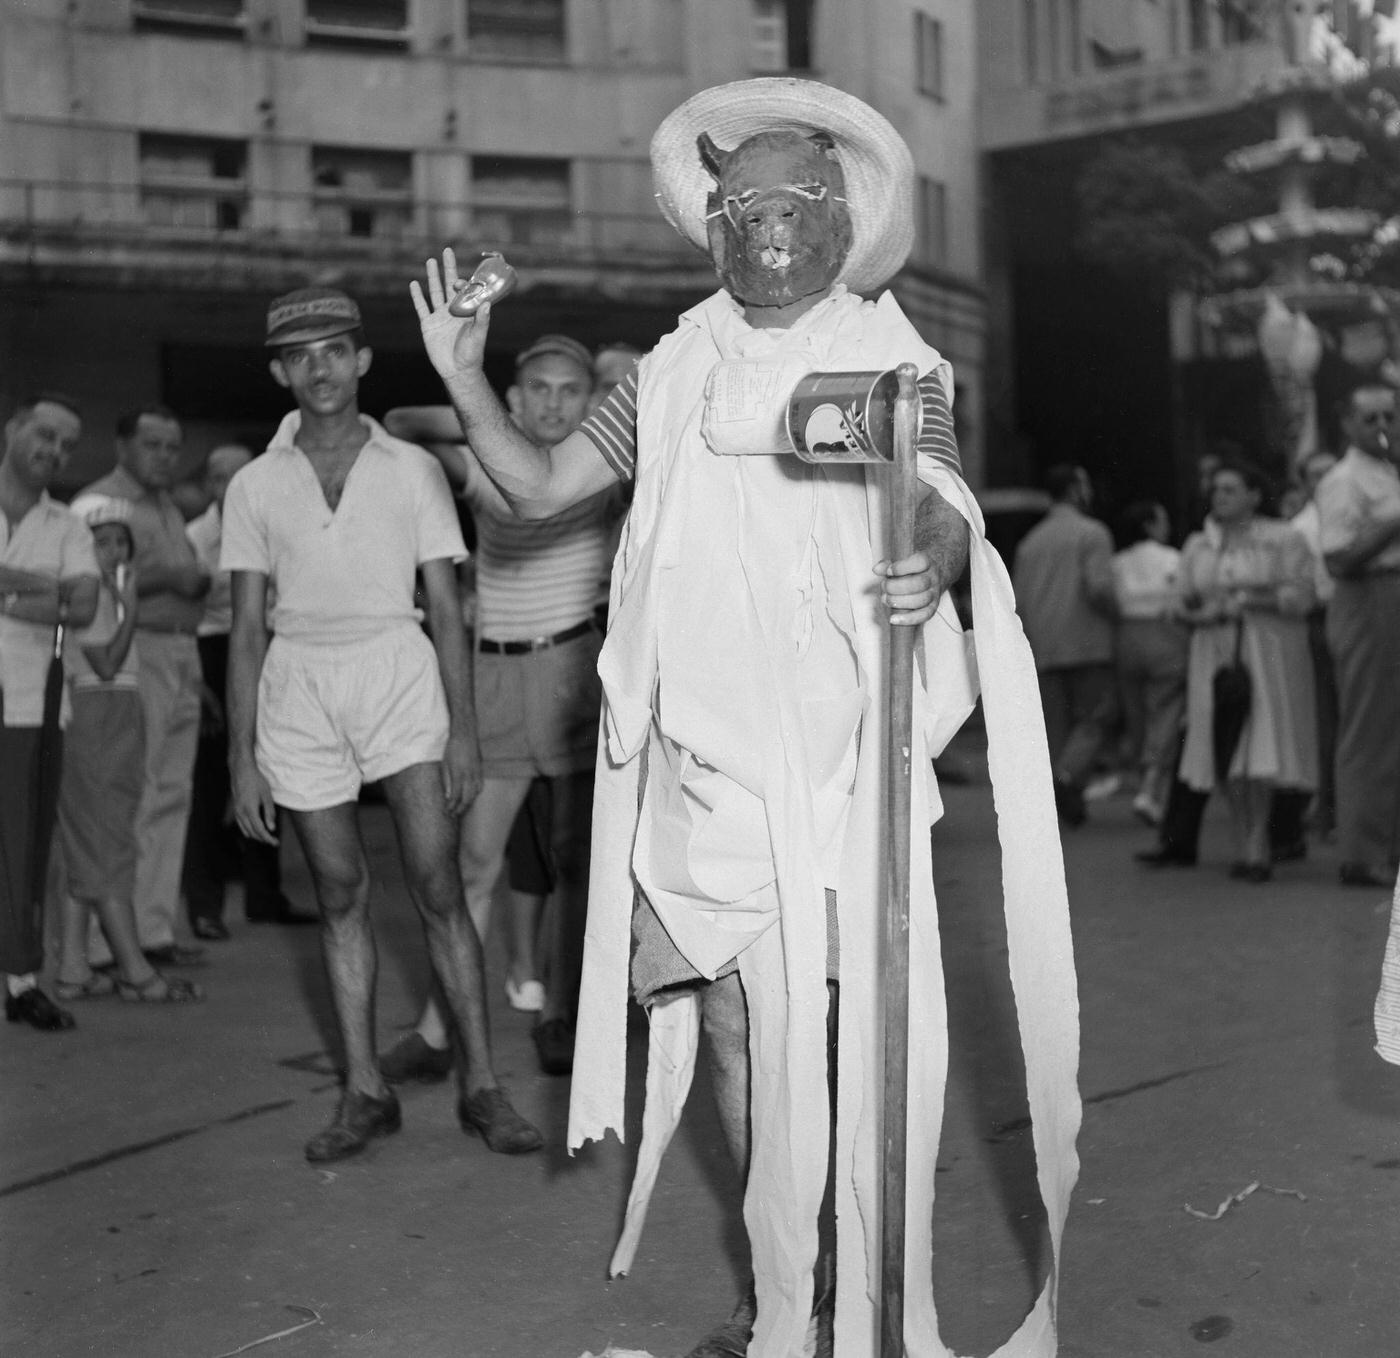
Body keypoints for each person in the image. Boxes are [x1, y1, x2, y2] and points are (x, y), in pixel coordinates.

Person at [409, 78, 1080, 1358]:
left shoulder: (891, 355)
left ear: (839, 213)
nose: (763, 220)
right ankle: (786, 1276)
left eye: (790, 197)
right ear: (711, 218)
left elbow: (937, 491)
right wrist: (463, 375)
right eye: (739, 200)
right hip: (695, 767)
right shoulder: (667, 369)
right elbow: (542, 484)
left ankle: (840, 1267)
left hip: (834, 769)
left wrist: (930, 551)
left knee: (833, 1027)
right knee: (722, 1016)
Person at [222, 285, 541, 1162]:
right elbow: (246, 629)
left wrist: (464, 733)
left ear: (362, 361)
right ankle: (364, 1091)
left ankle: (482, 1084)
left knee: (438, 888)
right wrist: (242, 760)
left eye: (335, 350)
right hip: (299, 687)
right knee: (338, 894)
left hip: (398, 675)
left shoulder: (411, 469)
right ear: (281, 371)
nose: (319, 368)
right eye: (301, 355)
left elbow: (447, 609)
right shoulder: (254, 484)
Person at [381, 333, 616, 1081]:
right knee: (475, 860)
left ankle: (561, 1016)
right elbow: (398, 422)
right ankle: (438, 1030)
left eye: (569, 390)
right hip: (494, 674)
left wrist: (608, 415)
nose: (553, 402)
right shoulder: (487, 460)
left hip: (575, 666)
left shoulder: (607, 467)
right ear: (514, 399)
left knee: (575, 863)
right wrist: (487, 414)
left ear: (592, 402)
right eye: (537, 388)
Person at [73, 405, 209, 969]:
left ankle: (153, 930)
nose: (165, 457)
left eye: (173, 448)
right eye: (153, 445)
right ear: (122, 445)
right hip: (136, 655)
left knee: (172, 793)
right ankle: (110, 940)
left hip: (181, 650)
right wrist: (170, 578)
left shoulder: (166, 504)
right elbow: (88, 581)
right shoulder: (99, 503)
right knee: (137, 792)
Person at [53, 497, 203, 1005]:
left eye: (121, 541)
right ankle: (136, 970)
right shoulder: (93, 595)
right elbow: (107, 664)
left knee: (88, 847)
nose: (114, 550)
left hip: (116, 718)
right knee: (109, 846)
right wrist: (133, 606)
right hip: (98, 719)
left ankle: (73, 970)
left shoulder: (107, 596)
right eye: (102, 541)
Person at [181, 444, 309, 939]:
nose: (230, 483)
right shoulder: (195, 537)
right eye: (218, 475)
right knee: (212, 782)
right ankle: (205, 905)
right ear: (208, 484)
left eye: (240, 474)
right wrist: (197, 681)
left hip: (272, 651)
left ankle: (265, 896)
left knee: (272, 774)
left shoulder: (274, 526)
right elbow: (188, 614)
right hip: (212, 655)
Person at [0, 392, 98, 1031]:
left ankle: (21, 981)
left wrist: (5, 594)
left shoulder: (68, 525)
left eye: (66, 446)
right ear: (13, 429)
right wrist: (41, 586)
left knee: (23, 847)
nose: (55, 452)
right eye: (45, 435)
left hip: (33, 702)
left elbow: (84, 607)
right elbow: (62, 596)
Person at [1176, 461, 1316, 881]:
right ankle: (1242, 837)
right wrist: (1201, 615)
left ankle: (1258, 843)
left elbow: (1303, 597)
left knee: (1258, 745)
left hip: (1264, 653)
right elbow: (1180, 602)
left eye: (1231, 488)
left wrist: (1250, 600)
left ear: (1255, 495)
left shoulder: (1283, 538)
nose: (1220, 495)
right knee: (1225, 746)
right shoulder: (1199, 545)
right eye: (1216, 488)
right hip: (1213, 654)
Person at [1316, 382, 1400, 887]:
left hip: (1391, 595)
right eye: (1370, 419)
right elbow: (1338, 556)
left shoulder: (1388, 472)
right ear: (1346, 423)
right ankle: (1362, 852)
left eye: (1389, 416)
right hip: (1369, 597)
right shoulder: (1342, 480)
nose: (1383, 427)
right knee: (1369, 727)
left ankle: (1385, 847)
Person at [1012, 463, 1119, 826]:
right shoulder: (1092, 534)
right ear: (1075, 489)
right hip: (1088, 641)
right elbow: (1100, 587)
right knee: (1095, 718)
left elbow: (1020, 600)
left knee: (1056, 727)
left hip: (1043, 644)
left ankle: (1063, 796)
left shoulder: (1032, 542)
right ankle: (1068, 778)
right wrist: (1118, 615)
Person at [1274, 447, 1340, 853]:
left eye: (1331, 471)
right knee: (1331, 719)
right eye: (1316, 475)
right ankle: (1328, 811)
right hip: (1325, 620)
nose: (1326, 480)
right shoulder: (1303, 527)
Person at [1112, 500, 1188, 826]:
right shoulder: (1172, 558)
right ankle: (1151, 784)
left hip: (1127, 637)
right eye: (1162, 520)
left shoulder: (1118, 562)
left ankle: (1144, 776)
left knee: (1136, 712)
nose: (1166, 525)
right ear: (1149, 525)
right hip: (1164, 634)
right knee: (1166, 710)